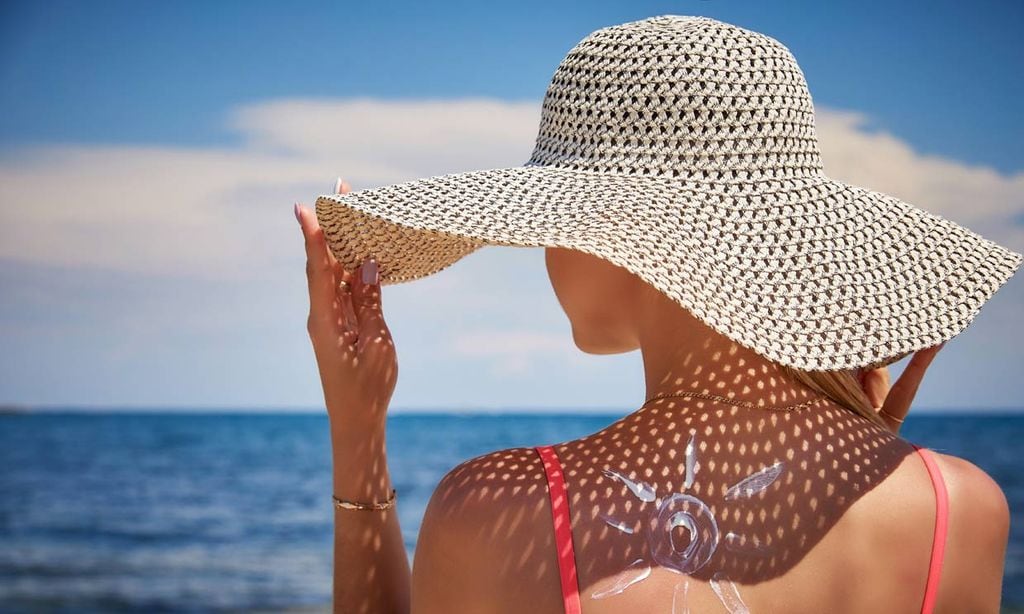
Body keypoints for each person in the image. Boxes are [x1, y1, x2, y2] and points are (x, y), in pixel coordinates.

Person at [295, 15, 1018, 614]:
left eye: (559, 220)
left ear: (621, 237)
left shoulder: (497, 513)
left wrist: (358, 432)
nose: (547, 245)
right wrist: (863, 451)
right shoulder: (962, 509)